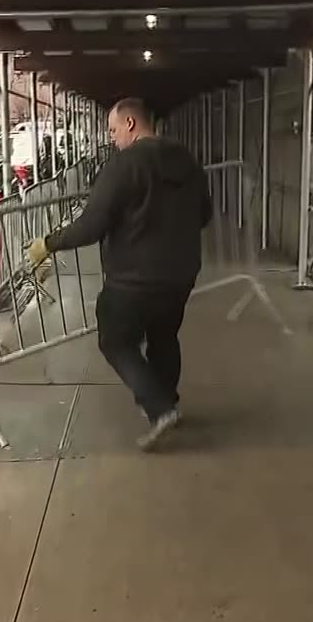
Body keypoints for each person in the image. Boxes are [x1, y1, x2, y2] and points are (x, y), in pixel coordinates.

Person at [28, 98, 212, 450]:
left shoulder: (124, 166)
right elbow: (203, 213)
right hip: (181, 273)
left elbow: (92, 225)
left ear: (130, 124)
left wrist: (49, 243)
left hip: (133, 277)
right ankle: (167, 400)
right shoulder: (186, 160)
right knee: (164, 335)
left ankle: (159, 410)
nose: (111, 138)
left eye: (113, 130)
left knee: (114, 340)